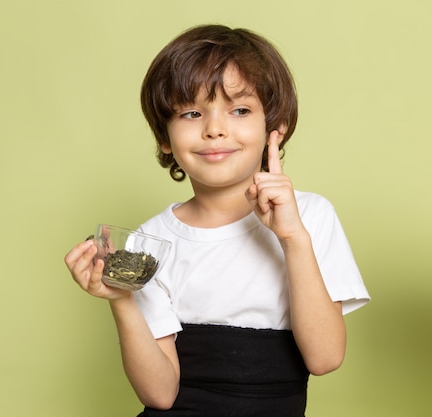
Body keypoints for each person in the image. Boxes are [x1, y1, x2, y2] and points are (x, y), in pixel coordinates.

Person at [64, 24, 370, 417]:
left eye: (240, 110)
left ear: (274, 128)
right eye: (191, 113)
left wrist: (292, 237)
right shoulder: (148, 242)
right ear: (164, 137)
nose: (214, 129)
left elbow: (325, 358)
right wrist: (121, 299)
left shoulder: (309, 216)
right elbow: (160, 394)